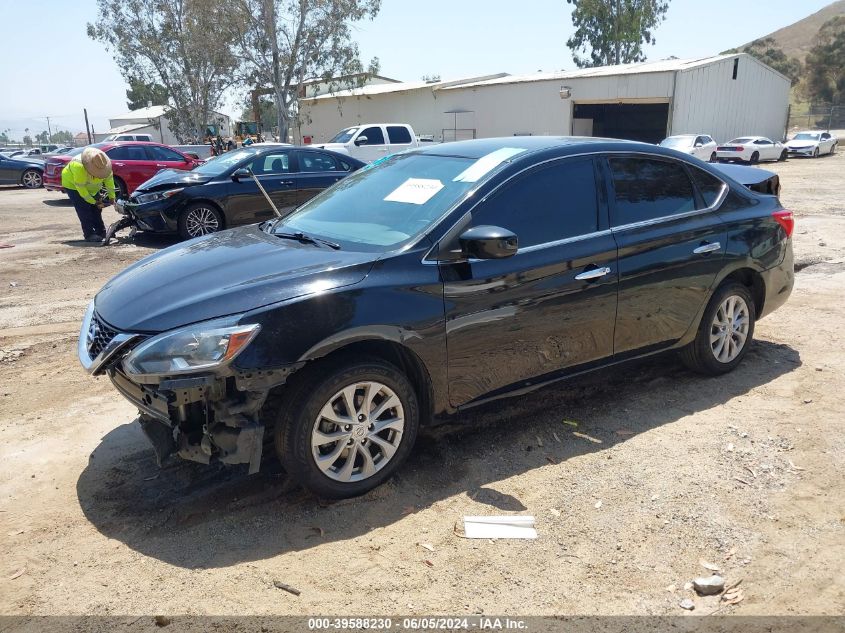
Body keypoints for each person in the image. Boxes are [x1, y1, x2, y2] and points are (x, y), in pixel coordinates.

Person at [61, 147, 116, 242]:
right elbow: (81, 189)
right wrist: (93, 201)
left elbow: (110, 184)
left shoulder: (105, 166)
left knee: (97, 210)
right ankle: (89, 234)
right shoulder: (79, 167)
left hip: (92, 188)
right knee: (84, 209)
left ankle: (101, 232)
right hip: (73, 186)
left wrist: (112, 197)